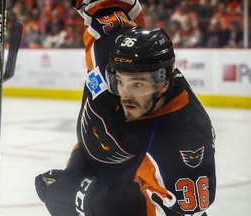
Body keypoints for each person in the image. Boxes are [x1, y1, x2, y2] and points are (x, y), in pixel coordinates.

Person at [35, 1, 216, 215]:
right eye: (120, 81)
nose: (125, 94)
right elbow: (107, 5)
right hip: (98, 163)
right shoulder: (107, 52)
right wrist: (80, 164)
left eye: (138, 84)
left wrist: (84, 198)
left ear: (164, 82)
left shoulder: (184, 142)